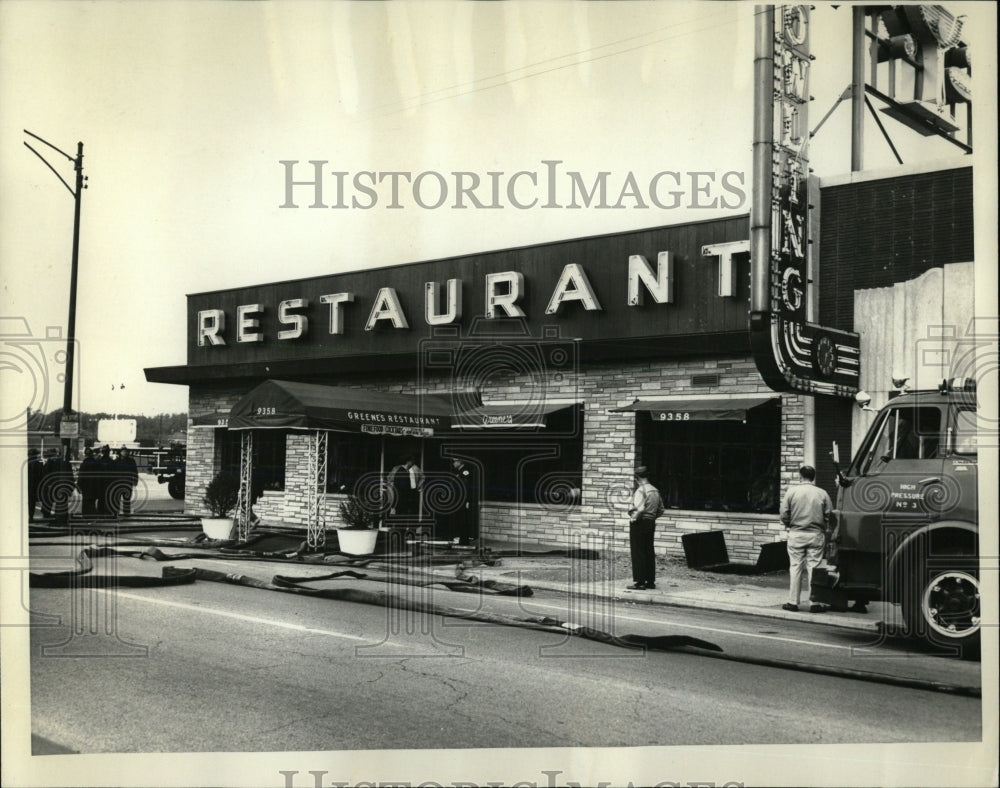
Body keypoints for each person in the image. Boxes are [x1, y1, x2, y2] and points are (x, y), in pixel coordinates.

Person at [780, 464, 834, 613]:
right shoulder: (822, 493)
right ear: (813, 477)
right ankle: (814, 602)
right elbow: (830, 514)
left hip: (796, 533)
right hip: (816, 534)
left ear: (800, 476)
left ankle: (792, 602)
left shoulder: (792, 492)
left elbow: (784, 514)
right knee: (814, 568)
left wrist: (790, 524)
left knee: (795, 567)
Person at [627, 465, 664, 590]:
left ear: (637, 478)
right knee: (649, 551)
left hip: (640, 523)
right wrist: (651, 517)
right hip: (650, 523)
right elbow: (661, 510)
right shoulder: (655, 490)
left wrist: (634, 518)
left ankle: (640, 582)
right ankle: (650, 581)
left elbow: (640, 508)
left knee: (638, 552)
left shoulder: (640, 490)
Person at [449, 458, 479, 545]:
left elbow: (466, 487)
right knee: (459, 519)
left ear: (460, 462)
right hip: (458, 499)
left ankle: (464, 539)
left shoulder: (465, 472)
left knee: (463, 519)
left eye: (455, 461)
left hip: (463, 500)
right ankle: (460, 538)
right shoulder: (458, 472)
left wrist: (467, 500)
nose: (453, 463)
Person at [114, 447, 139, 517]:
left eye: (126, 451)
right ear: (120, 452)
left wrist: (135, 480)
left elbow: (135, 472)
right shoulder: (116, 461)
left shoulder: (131, 461)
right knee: (117, 498)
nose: (125, 453)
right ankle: (116, 512)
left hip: (128, 482)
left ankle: (126, 513)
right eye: (123, 451)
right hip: (118, 483)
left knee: (127, 499)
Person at [77, 447, 101, 516]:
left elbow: (81, 476)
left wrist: (79, 486)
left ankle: (86, 516)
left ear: (85, 455)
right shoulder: (96, 463)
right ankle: (92, 516)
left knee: (85, 502)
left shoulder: (84, 464)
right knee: (92, 502)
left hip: (86, 488)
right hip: (94, 487)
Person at [27, 448, 45, 522]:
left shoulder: (26, 463)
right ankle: (31, 516)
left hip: (27, 485)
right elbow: (41, 476)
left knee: (28, 501)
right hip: (35, 486)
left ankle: (29, 516)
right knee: (32, 502)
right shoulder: (38, 464)